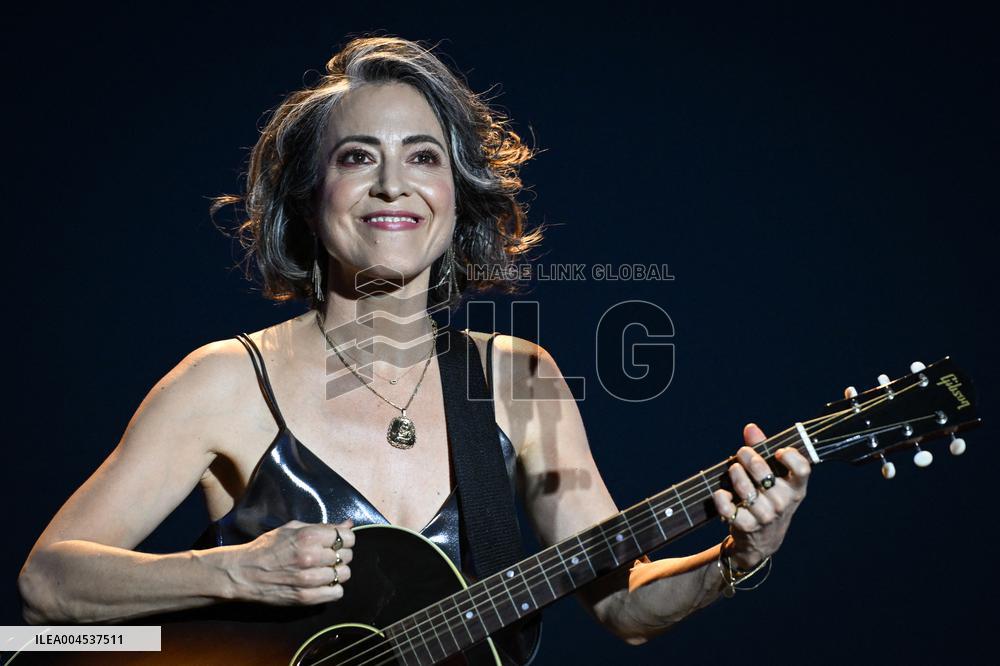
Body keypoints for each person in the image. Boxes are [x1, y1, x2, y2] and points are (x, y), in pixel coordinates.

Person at [16, 34, 811, 654]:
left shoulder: (519, 380)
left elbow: (623, 606)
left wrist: (737, 559)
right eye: (358, 156)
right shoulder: (224, 382)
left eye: (423, 158)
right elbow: (46, 587)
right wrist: (233, 571)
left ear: (454, 198)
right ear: (309, 193)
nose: (393, 184)